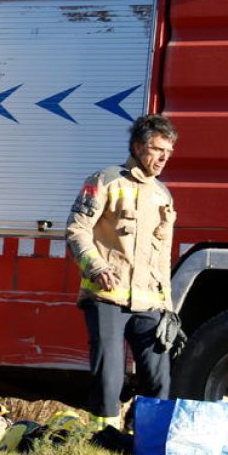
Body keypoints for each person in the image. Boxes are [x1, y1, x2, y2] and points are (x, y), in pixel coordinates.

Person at [64, 113, 178, 430]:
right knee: (110, 374)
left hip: (149, 303)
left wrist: (167, 307)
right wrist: (96, 266)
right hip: (106, 297)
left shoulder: (162, 195)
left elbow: (162, 256)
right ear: (138, 146)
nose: (163, 158)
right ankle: (104, 436)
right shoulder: (105, 180)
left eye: (168, 152)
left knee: (158, 376)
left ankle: (145, 438)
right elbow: (76, 230)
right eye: (157, 150)